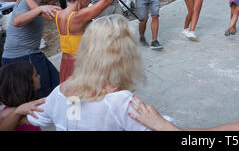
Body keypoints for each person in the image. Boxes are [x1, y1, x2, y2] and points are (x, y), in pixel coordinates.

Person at [2, 15, 156, 131]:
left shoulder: (63, 92)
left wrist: (15, 112)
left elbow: (73, 117)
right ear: (127, 55)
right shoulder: (122, 102)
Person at [53, 0, 140, 83]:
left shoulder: (58, 13)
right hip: (80, 64)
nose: (90, 1)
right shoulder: (78, 16)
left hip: (66, 63)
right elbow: (107, 0)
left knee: (72, 100)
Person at [1, 0, 62, 97]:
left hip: (32, 53)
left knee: (57, 87)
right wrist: (37, 8)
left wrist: (33, 1)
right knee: (42, 95)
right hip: (21, 57)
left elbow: (50, 15)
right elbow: (17, 21)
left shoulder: (34, 0)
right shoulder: (25, 2)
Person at [0, 61, 42, 131]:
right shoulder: (9, 113)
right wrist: (17, 113)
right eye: (36, 75)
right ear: (25, 84)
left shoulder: (29, 103)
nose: (39, 76)